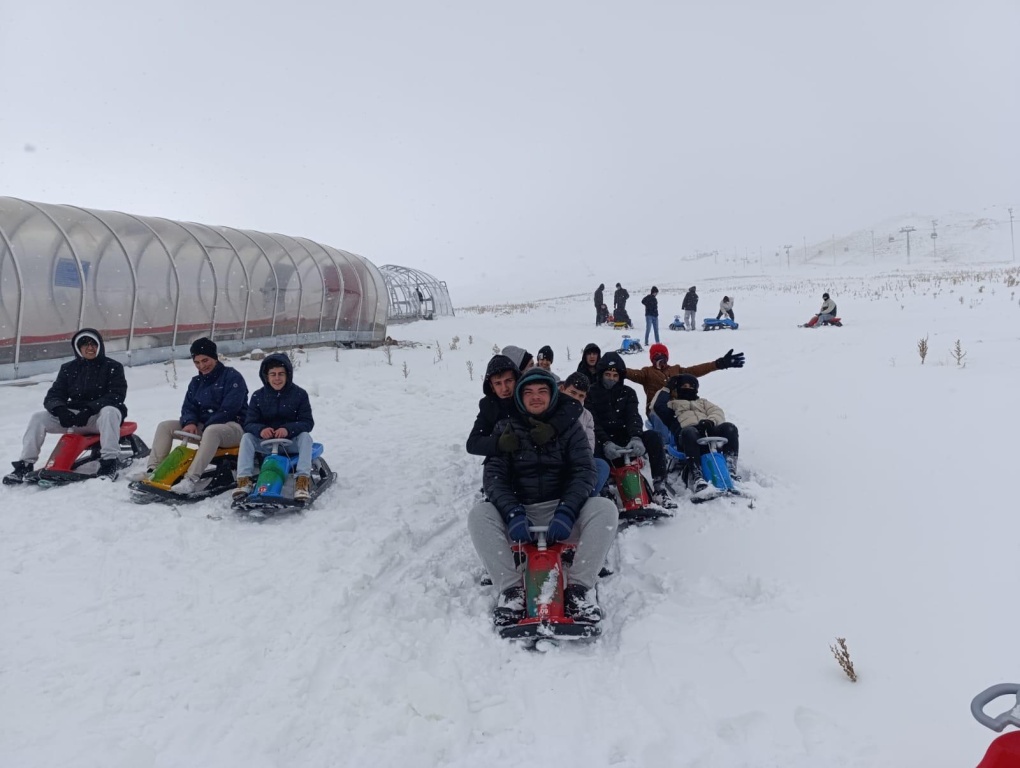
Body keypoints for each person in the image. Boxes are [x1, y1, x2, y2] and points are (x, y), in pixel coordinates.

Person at [468, 368, 618, 627]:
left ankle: (580, 589)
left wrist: (567, 510)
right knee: (479, 514)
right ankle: (511, 590)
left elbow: (584, 471)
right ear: (519, 397)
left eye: (541, 391)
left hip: (562, 510)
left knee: (604, 508)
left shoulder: (570, 427)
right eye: (528, 392)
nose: (535, 397)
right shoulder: (506, 427)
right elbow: (494, 478)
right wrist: (513, 511)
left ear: (552, 395)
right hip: (520, 511)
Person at [4, 328, 127, 484]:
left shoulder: (113, 367)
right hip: (74, 418)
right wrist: (60, 410)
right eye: (85, 345)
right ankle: (24, 465)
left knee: (110, 411)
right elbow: (53, 395)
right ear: (77, 348)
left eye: (93, 344)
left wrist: (89, 409)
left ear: (100, 346)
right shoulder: (69, 369)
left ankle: (110, 463)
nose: (90, 348)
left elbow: (116, 395)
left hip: (98, 419)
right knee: (38, 418)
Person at [140, 338, 248, 494]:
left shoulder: (232, 377)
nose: (202, 366)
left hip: (233, 428)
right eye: (197, 362)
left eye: (205, 360)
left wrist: (206, 426)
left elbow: (229, 409)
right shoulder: (196, 382)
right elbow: (188, 407)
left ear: (215, 357)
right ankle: (154, 470)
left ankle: (190, 479)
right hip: (205, 427)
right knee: (165, 426)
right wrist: (190, 422)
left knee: (212, 431)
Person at [584, 351, 672, 506]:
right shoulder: (591, 393)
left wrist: (636, 436)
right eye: (608, 374)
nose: (611, 378)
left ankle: (660, 486)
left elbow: (633, 417)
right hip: (603, 440)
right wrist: (605, 443)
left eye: (615, 375)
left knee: (654, 437)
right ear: (601, 374)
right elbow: (593, 423)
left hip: (626, 438)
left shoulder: (628, 393)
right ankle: (604, 491)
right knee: (589, 443)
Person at [233, 353, 315, 502]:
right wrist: (260, 430)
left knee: (305, 437)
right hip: (267, 444)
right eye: (273, 374)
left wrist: (288, 429)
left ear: (287, 375)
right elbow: (249, 423)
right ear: (266, 376)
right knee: (246, 438)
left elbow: (307, 422)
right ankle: (244, 480)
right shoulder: (258, 396)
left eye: (281, 374)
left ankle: (302, 481)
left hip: (290, 444)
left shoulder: (299, 395)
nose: (277, 378)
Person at [468, 354, 581, 459]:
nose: (504, 388)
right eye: (498, 383)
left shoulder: (529, 394)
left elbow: (574, 405)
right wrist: (498, 443)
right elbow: (473, 443)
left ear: (517, 379)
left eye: (509, 381)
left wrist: (552, 428)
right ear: (491, 387)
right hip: (510, 461)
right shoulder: (490, 406)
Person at [651, 373, 741, 492]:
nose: (687, 388)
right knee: (690, 431)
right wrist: (667, 388)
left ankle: (730, 469)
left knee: (730, 428)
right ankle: (697, 475)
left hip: (708, 430)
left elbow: (717, 411)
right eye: (684, 385)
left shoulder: (703, 402)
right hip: (687, 436)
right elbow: (658, 407)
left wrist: (710, 421)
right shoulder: (672, 405)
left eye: (690, 385)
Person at [626, 343, 745, 415]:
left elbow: (695, 370)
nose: (660, 358)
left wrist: (718, 364)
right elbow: (630, 373)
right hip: (657, 409)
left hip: (679, 406)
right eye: (656, 355)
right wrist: (616, 367)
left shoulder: (676, 370)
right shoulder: (647, 372)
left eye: (662, 355)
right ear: (652, 358)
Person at [558, 372, 610, 496]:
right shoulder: (552, 407)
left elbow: (589, 446)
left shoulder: (586, 416)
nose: (576, 398)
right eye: (573, 392)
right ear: (563, 389)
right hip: (552, 462)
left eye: (581, 395)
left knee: (601, 466)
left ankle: (583, 499)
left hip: (576, 462)